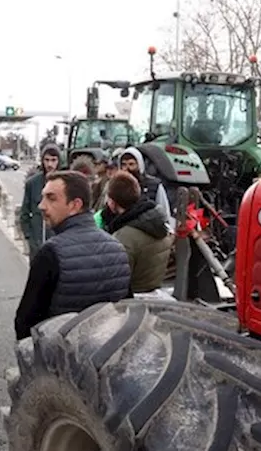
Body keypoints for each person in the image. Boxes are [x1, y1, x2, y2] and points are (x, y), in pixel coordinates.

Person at [14, 170, 131, 340]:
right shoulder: (118, 248)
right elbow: (126, 309)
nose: (41, 205)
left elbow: (25, 322)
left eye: (51, 198)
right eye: (43, 197)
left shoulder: (51, 253)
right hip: (106, 355)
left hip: (63, 359)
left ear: (75, 205)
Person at [104, 172, 174, 294]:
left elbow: (116, 283)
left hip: (132, 299)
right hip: (153, 289)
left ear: (112, 202)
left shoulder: (123, 237)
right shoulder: (157, 222)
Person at [117, 147, 175, 233]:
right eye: (124, 165)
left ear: (139, 165)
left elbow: (164, 210)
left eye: (131, 164)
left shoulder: (154, 185)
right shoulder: (116, 185)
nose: (127, 169)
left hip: (149, 231)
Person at [18, 144, 62, 256]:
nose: (50, 164)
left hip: (58, 242)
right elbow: (24, 213)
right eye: (46, 160)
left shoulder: (65, 183)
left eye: (53, 160)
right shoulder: (32, 183)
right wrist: (29, 236)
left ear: (59, 161)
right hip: (37, 241)